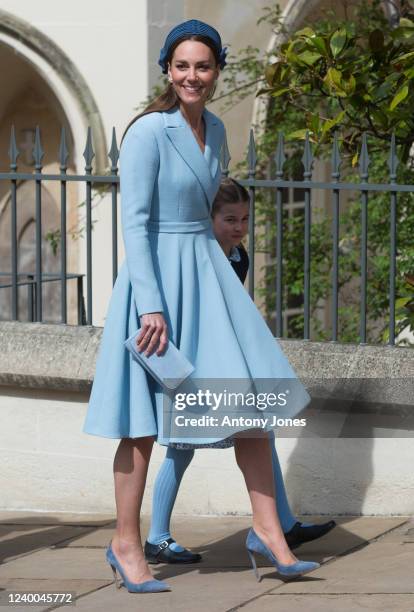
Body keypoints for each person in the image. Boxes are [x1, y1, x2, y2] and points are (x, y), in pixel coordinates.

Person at [83, 19, 320, 595]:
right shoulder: (147, 132)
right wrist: (152, 307)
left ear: (216, 71)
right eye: (182, 65)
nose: (193, 76)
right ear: (168, 69)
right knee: (141, 428)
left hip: (206, 275)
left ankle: (270, 534)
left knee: (251, 403)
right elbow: (135, 225)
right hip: (156, 284)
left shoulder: (215, 129)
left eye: (203, 66)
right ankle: (126, 544)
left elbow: (207, 209)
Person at [144, 177, 336, 565]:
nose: (239, 227)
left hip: (225, 360)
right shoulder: (193, 255)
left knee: (261, 432)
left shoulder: (239, 257)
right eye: (230, 218)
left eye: (245, 219)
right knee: (181, 448)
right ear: (208, 218)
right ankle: (156, 538)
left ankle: (282, 523)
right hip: (195, 364)